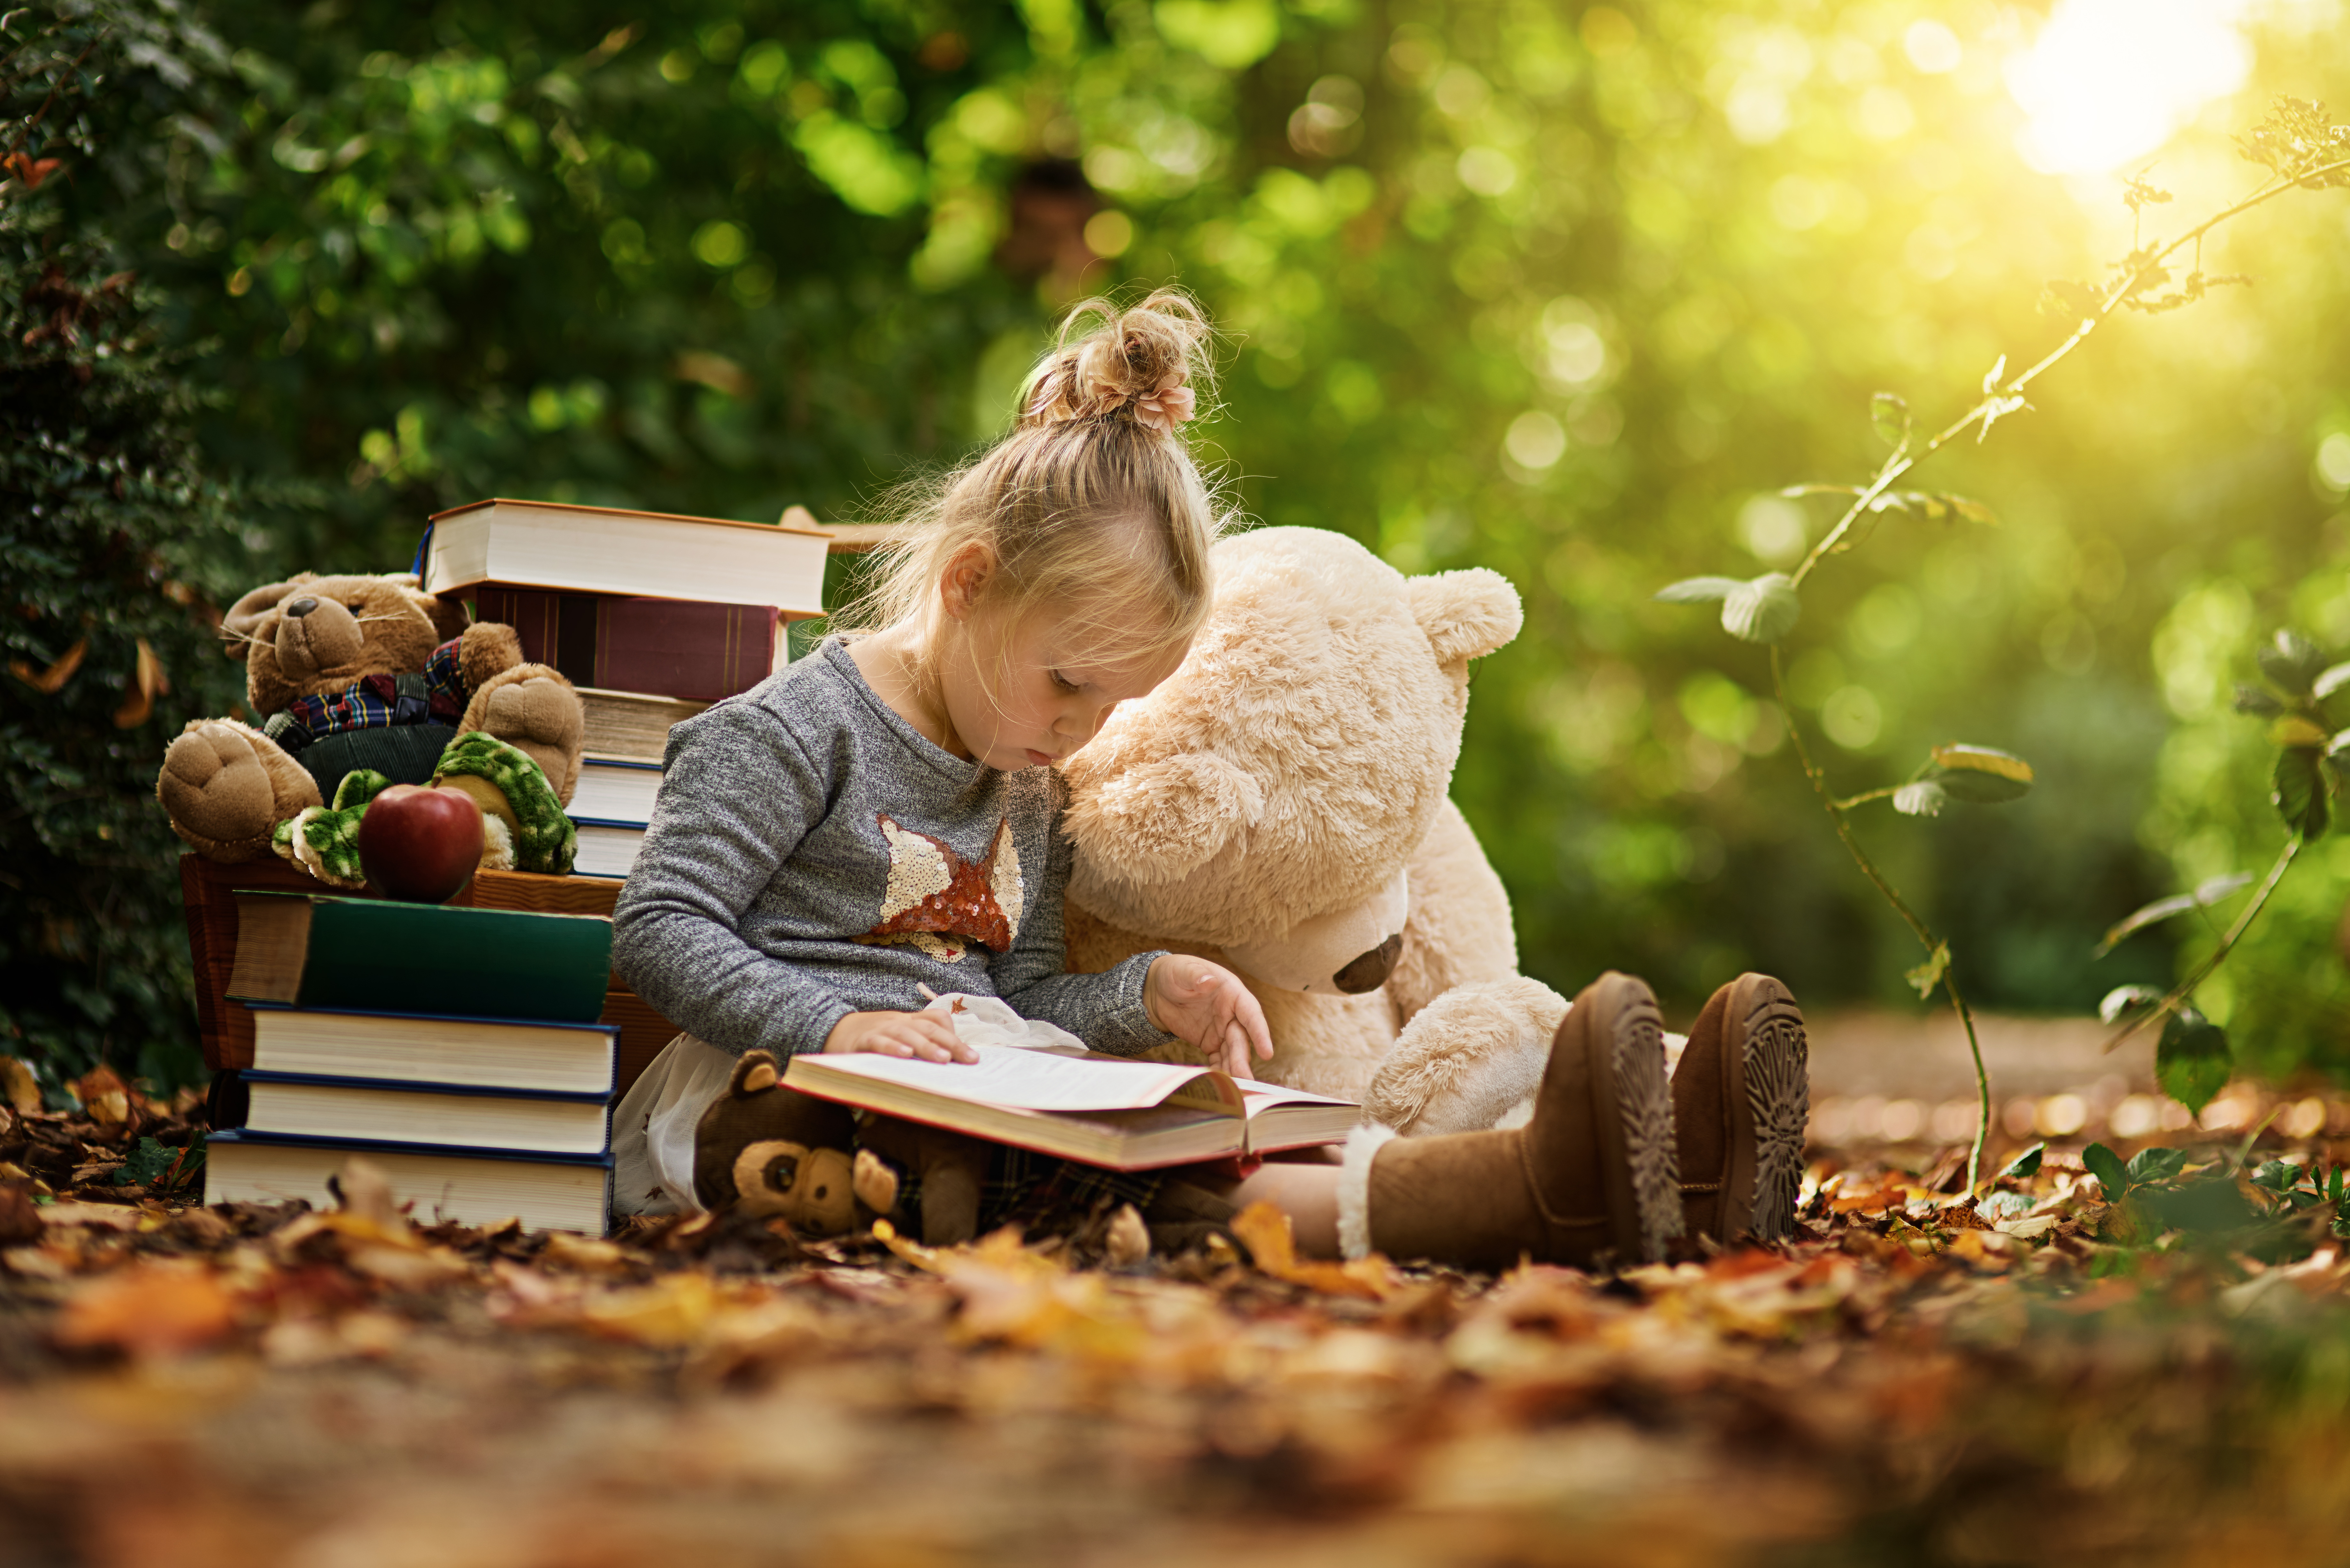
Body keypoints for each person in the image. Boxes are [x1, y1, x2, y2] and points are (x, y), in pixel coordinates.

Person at [610, 287, 1811, 1265]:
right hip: (797, 1102)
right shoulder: (789, 732)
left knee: (1177, 1132)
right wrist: (840, 1020)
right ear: (968, 582)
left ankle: (1650, 1177)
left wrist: (1147, 993)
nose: (1080, 735)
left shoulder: (1023, 770)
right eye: (1069, 685)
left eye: (1115, 709)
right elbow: (659, 927)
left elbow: (1024, 992)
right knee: (1107, 1192)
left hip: (982, 1086)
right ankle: (1536, 1192)